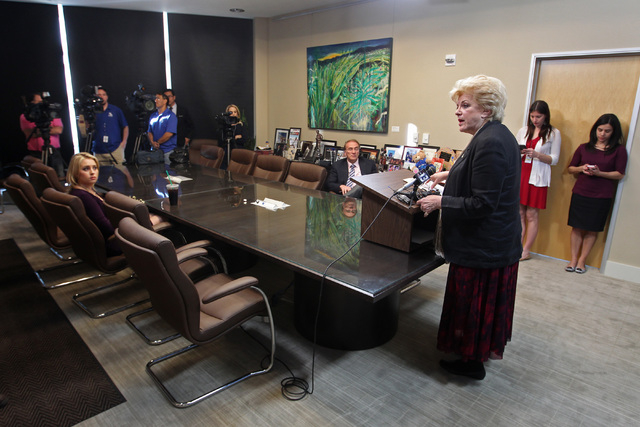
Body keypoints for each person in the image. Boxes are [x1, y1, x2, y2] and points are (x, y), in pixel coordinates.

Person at [417, 75, 522, 380]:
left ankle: (471, 362)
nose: (457, 111)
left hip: (484, 247)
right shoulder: (494, 134)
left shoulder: (490, 142)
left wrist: (440, 202)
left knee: (473, 306)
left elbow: (483, 203)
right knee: (476, 307)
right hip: (492, 244)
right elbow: (480, 176)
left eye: (465, 105)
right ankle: (473, 352)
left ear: (486, 109)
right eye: (458, 105)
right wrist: (448, 175)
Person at [565, 113, 627, 274]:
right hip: (581, 192)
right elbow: (571, 168)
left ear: (613, 132)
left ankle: (582, 261)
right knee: (576, 227)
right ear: (595, 129)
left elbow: (620, 174)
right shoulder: (584, 147)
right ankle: (573, 259)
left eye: (607, 131)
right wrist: (582, 168)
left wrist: (600, 173)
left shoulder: (619, 150)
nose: (602, 134)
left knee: (592, 229)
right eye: (600, 130)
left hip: (602, 196)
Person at [516, 100, 561, 260]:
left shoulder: (553, 133)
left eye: (539, 116)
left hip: (538, 176)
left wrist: (537, 155)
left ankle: (526, 250)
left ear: (545, 116)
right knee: (519, 212)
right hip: (522, 173)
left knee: (532, 214)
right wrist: (521, 152)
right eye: (532, 116)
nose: (535, 120)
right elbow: (514, 150)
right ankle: (516, 246)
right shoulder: (523, 130)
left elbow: (555, 159)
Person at [67, 152, 121, 256]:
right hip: (112, 243)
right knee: (153, 221)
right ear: (75, 172)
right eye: (86, 169)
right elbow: (108, 229)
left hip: (109, 238)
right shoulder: (84, 196)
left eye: (95, 168)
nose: (92, 172)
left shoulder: (85, 191)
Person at [19, 92, 65, 177]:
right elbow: (31, 134)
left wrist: (40, 131)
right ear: (31, 103)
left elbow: (59, 130)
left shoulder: (51, 113)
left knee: (59, 175)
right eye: (39, 102)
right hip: (36, 153)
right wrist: (49, 129)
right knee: (41, 177)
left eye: (42, 101)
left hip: (54, 151)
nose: (42, 104)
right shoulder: (26, 116)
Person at [92, 87, 129, 165]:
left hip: (115, 148)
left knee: (119, 171)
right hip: (98, 150)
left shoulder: (116, 110)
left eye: (103, 95)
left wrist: (124, 142)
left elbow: (125, 126)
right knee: (99, 171)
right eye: (99, 95)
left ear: (107, 96)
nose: (101, 97)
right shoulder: (93, 111)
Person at [147, 92, 178, 165]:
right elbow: (149, 131)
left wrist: (157, 143)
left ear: (165, 101)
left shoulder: (171, 116)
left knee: (167, 171)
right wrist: (152, 143)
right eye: (155, 99)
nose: (155, 100)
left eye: (158, 98)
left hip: (167, 152)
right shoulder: (153, 116)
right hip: (154, 152)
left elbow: (169, 134)